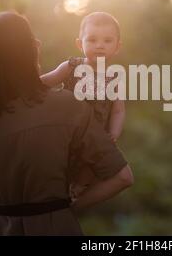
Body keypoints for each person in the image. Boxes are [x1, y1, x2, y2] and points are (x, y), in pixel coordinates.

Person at [0, 11, 133, 235]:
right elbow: (122, 177)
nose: (38, 42)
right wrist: (67, 209)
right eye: (31, 40)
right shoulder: (69, 106)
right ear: (23, 52)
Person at [41, 12, 125, 199]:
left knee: (89, 165)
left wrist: (114, 134)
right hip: (65, 129)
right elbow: (47, 80)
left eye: (107, 41)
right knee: (57, 160)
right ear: (80, 44)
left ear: (117, 47)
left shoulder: (114, 77)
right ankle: (53, 186)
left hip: (94, 133)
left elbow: (118, 110)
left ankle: (77, 189)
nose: (100, 45)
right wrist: (27, 82)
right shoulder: (71, 67)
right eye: (92, 40)